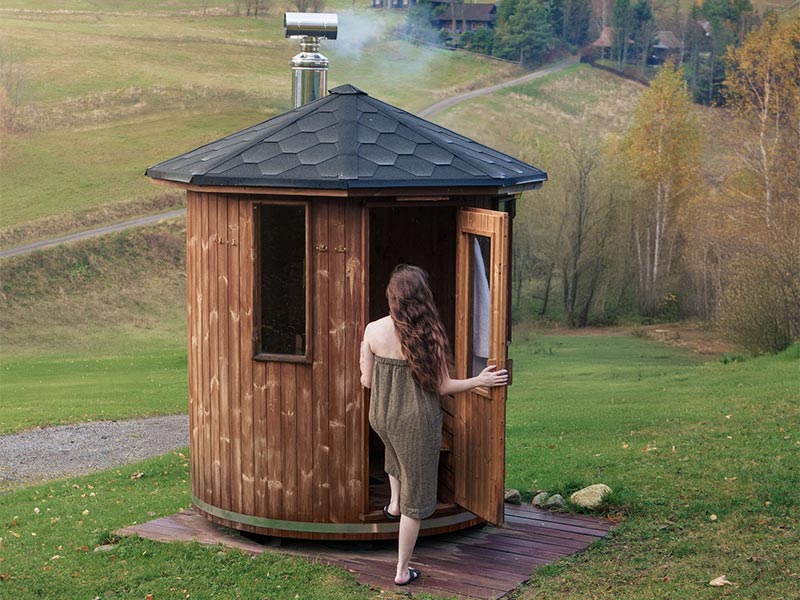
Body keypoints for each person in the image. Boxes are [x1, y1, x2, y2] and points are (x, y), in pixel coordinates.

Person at [359, 264, 508, 586]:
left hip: (381, 416)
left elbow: (367, 381)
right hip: (416, 423)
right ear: (422, 297)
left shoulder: (372, 329)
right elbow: (442, 387)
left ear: (392, 296)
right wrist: (479, 380)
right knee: (416, 500)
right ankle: (402, 570)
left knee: (394, 454)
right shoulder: (428, 335)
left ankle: (394, 503)